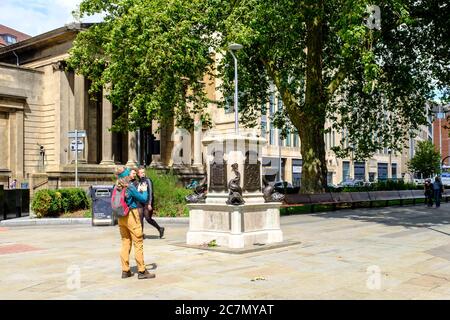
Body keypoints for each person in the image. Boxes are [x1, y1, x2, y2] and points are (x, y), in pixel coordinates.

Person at [115, 167, 155, 280]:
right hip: (131, 216)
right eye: (129, 174)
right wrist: (144, 189)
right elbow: (143, 198)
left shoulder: (116, 186)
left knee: (125, 242)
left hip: (120, 217)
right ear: (126, 176)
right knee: (138, 242)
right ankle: (142, 271)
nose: (131, 176)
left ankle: (125, 270)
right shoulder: (130, 187)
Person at [135, 167, 165, 239]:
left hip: (147, 202)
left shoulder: (148, 180)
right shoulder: (138, 182)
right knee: (140, 218)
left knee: (148, 218)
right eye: (141, 172)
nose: (143, 174)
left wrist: (149, 203)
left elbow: (151, 192)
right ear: (138, 174)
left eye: (144, 172)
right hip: (140, 202)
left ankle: (160, 228)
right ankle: (141, 235)